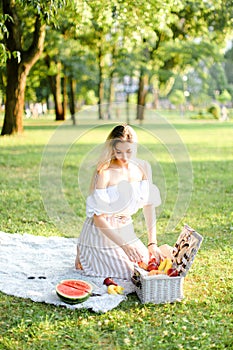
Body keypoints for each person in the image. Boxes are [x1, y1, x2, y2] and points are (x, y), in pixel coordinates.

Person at [75, 124, 165, 280]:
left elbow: (148, 205)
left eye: (129, 151)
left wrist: (152, 243)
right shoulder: (105, 171)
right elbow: (98, 218)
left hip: (124, 228)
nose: (124, 157)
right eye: (119, 152)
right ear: (112, 149)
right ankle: (84, 250)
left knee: (146, 264)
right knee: (130, 273)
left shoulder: (143, 167)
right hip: (100, 232)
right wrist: (125, 246)